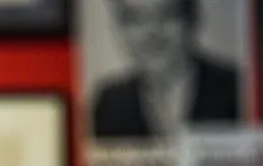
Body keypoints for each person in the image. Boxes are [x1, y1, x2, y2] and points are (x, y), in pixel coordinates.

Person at [92, 0, 241, 138]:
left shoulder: (234, 89)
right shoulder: (110, 103)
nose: (151, 32)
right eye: (135, 19)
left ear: (191, 21)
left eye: (166, 15)